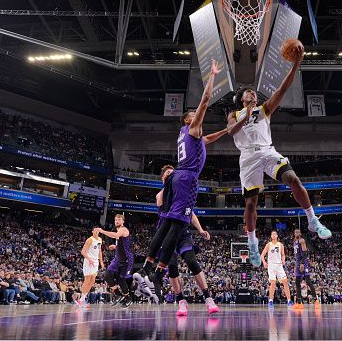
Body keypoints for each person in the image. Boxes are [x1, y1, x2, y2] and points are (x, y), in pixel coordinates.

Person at [226, 43, 331, 266]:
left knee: (293, 179)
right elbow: (231, 131)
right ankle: (253, 244)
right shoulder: (234, 113)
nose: (252, 93)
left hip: (267, 151)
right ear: (241, 99)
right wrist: (247, 114)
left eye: (253, 92)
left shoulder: (264, 109)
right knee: (251, 205)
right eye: (248, 92)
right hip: (247, 158)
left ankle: (312, 220)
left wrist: (296, 65)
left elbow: (281, 90)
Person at [141, 59, 222, 294]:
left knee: (176, 231)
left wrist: (231, 128)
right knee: (175, 227)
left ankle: (151, 270)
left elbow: (212, 138)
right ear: (189, 120)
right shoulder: (193, 128)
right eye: (194, 115)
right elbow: (205, 101)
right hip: (186, 177)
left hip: (180, 176)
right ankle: (155, 273)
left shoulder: (185, 135)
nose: (198, 116)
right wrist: (213, 75)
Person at [137, 164, 222, 316]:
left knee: (191, 261)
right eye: (169, 174)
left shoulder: (182, 194)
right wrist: (169, 182)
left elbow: (191, 214)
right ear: (163, 178)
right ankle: (181, 301)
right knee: (173, 268)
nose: (173, 176)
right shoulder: (161, 194)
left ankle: (208, 298)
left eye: (173, 174)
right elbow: (159, 199)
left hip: (182, 234)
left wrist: (201, 229)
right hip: (167, 235)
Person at [94, 214, 134, 308]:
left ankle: (128, 298)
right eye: (116, 219)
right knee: (107, 276)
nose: (117, 221)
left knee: (121, 280)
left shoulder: (123, 229)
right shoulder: (118, 230)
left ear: (123, 221)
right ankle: (118, 294)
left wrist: (102, 231)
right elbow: (124, 244)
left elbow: (116, 235)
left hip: (126, 259)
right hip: (117, 258)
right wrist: (116, 247)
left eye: (119, 219)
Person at [261, 231, 293, 309]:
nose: (274, 235)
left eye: (275, 234)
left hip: (279, 265)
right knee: (273, 282)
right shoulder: (268, 245)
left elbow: (283, 254)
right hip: (271, 266)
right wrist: (264, 262)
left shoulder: (280, 245)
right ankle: (271, 301)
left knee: (285, 282)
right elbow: (262, 255)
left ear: (277, 236)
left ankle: (289, 301)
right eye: (272, 234)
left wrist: (284, 260)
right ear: (271, 236)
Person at [292, 229, 320, 310]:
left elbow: (305, 252)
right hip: (297, 263)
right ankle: (299, 302)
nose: (297, 233)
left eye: (298, 232)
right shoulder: (294, 242)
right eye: (295, 232)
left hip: (303, 262)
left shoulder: (302, 240)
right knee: (297, 282)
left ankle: (316, 300)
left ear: (300, 233)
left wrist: (302, 263)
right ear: (294, 234)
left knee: (308, 281)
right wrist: (297, 264)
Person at [77, 228, 104, 308]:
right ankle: (81, 299)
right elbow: (83, 251)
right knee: (87, 279)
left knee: (92, 281)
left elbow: (99, 251)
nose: (96, 232)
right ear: (92, 231)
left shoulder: (100, 239)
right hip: (89, 261)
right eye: (95, 230)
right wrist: (89, 259)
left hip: (95, 261)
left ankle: (82, 299)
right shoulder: (89, 240)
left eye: (98, 231)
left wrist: (101, 262)